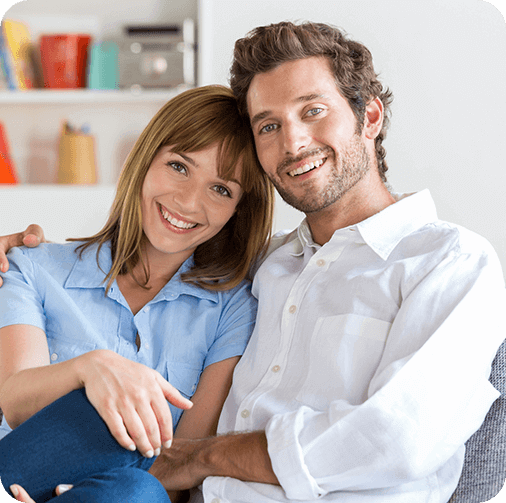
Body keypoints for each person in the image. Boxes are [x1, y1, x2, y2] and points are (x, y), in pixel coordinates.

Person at [1, 20, 505, 503]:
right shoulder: (267, 265)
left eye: (313, 111)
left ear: (369, 117)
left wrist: (203, 458)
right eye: (269, 125)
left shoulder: (450, 262)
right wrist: (18, 254)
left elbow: (397, 439)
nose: (292, 142)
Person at [0, 84, 274, 502]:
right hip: (17, 474)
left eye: (221, 189)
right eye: (179, 166)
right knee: (101, 421)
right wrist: (94, 369)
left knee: (135, 488)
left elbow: (183, 462)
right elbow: (16, 403)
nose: (187, 201)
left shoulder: (233, 308)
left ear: (240, 210)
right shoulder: (32, 266)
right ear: (146, 160)